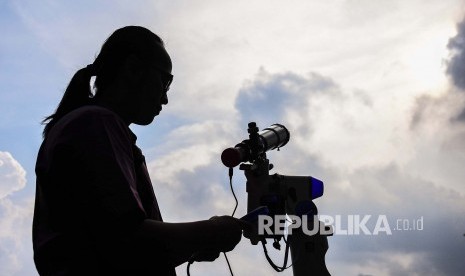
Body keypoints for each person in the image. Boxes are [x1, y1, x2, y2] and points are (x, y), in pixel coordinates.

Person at [33, 26, 246, 275]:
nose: (165, 99)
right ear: (133, 69)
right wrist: (210, 232)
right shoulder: (96, 123)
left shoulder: (89, 125)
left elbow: (108, 242)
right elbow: (128, 239)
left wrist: (189, 245)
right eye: (165, 82)